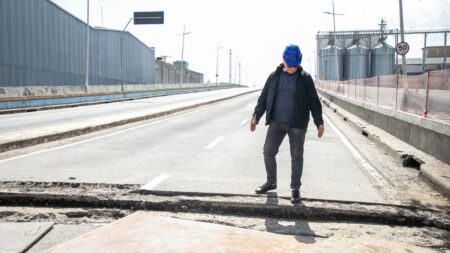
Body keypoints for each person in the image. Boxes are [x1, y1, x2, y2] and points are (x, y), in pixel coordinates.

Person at [250, 44, 324, 204]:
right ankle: (271, 182)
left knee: (296, 156)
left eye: (295, 65)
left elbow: (314, 102)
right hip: (276, 122)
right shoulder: (274, 77)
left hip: (297, 124)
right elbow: (263, 99)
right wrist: (256, 116)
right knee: (268, 151)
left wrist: (319, 122)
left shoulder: (305, 78)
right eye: (289, 65)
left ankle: (295, 189)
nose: (292, 68)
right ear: (283, 60)